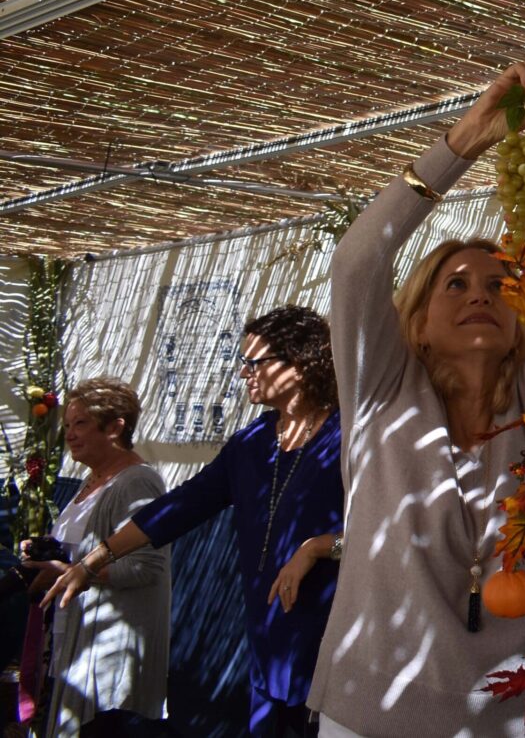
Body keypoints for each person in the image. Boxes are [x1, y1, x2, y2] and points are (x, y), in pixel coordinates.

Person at [306, 58, 525, 738]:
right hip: (368, 711)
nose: (481, 294)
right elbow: (356, 262)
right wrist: (469, 136)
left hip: (507, 717)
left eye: (499, 285)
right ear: (418, 317)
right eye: (455, 284)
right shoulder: (382, 389)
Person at [45, 306, 342, 738]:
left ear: (298, 362)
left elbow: (386, 531)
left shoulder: (347, 435)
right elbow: (181, 506)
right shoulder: (253, 442)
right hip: (269, 639)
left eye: (253, 362)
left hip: (333, 637)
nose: (243, 373)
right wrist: (94, 559)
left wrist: (317, 547)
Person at [25, 376, 170, 737]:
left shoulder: (137, 482)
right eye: (67, 425)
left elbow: (146, 567)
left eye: (81, 424)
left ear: (116, 428)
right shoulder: (91, 480)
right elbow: (79, 552)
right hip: (71, 638)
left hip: (108, 650)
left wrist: (79, 572)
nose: (69, 434)